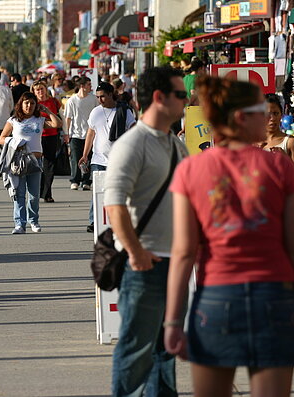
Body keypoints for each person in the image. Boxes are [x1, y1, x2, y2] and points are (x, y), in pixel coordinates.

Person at [164, 76, 294, 397]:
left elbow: (183, 252)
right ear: (240, 117)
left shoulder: (190, 171)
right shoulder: (278, 168)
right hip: (273, 300)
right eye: (262, 110)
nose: (271, 116)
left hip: (215, 303)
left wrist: (174, 321)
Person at [103, 67, 189, 396]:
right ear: (159, 98)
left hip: (173, 263)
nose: (185, 101)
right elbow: (115, 205)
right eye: (180, 95)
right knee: (136, 350)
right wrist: (137, 254)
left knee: (164, 351)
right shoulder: (133, 144)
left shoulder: (173, 144)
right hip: (145, 264)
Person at [0, 91, 61, 234]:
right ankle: (20, 224)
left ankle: (34, 221)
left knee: (34, 194)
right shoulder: (14, 120)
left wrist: (47, 111)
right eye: (26, 103)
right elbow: (1, 138)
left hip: (35, 160)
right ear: (21, 104)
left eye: (32, 103)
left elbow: (57, 124)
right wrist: (14, 142)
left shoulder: (39, 120)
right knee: (19, 193)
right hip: (18, 160)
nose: (29, 106)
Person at [80, 82, 136, 232]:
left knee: (118, 190)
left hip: (119, 159)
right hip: (98, 159)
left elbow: (133, 130)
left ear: (111, 94)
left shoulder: (124, 111)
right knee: (97, 191)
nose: (100, 100)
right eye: (98, 97)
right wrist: (85, 154)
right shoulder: (95, 112)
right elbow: (91, 133)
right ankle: (94, 220)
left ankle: (119, 219)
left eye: (103, 96)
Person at [63, 76, 98, 191]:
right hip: (76, 134)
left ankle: (86, 181)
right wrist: (66, 133)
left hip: (91, 133)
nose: (90, 87)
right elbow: (68, 118)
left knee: (89, 157)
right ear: (82, 86)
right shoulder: (72, 100)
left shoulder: (93, 99)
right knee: (75, 158)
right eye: (88, 84)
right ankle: (75, 180)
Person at [31, 80, 61, 203]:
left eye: (42, 89)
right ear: (33, 91)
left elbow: (60, 117)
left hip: (51, 136)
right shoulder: (32, 103)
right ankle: (36, 191)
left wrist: (65, 133)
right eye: (37, 90)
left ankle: (47, 193)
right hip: (36, 137)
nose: (40, 92)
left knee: (49, 166)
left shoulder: (53, 101)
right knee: (36, 165)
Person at [259, 94, 294, 173]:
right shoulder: (252, 143)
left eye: (276, 113)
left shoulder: (290, 142)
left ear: (281, 115)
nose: (272, 118)